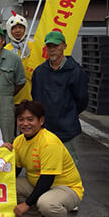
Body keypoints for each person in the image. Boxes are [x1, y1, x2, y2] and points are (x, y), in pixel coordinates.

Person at [13, 100, 84, 217]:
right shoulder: (19, 141)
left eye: (30, 119)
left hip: (66, 188)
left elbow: (47, 179)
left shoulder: (49, 142)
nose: (25, 123)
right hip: (39, 185)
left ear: (41, 120)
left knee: (47, 203)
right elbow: (16, 169)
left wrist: (26, 203)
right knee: (8, 188)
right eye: (21, 119)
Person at [31, 30, 88, 166]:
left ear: (64, 46)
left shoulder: (75, 71)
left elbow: (82, 99)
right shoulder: (39, 72)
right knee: (45, 165)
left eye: (56, 46)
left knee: (69, 167)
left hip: (68, 130)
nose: (52, 50)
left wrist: (68, 114)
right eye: (49, 46)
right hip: (45, 130)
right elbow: (36, 97)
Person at [4, 11, 36, 105]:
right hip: (13, 99)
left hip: (31, 97)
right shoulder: (6, 50)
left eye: (20, 27)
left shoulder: (34, 46)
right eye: (14, 28)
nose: (17, 31)